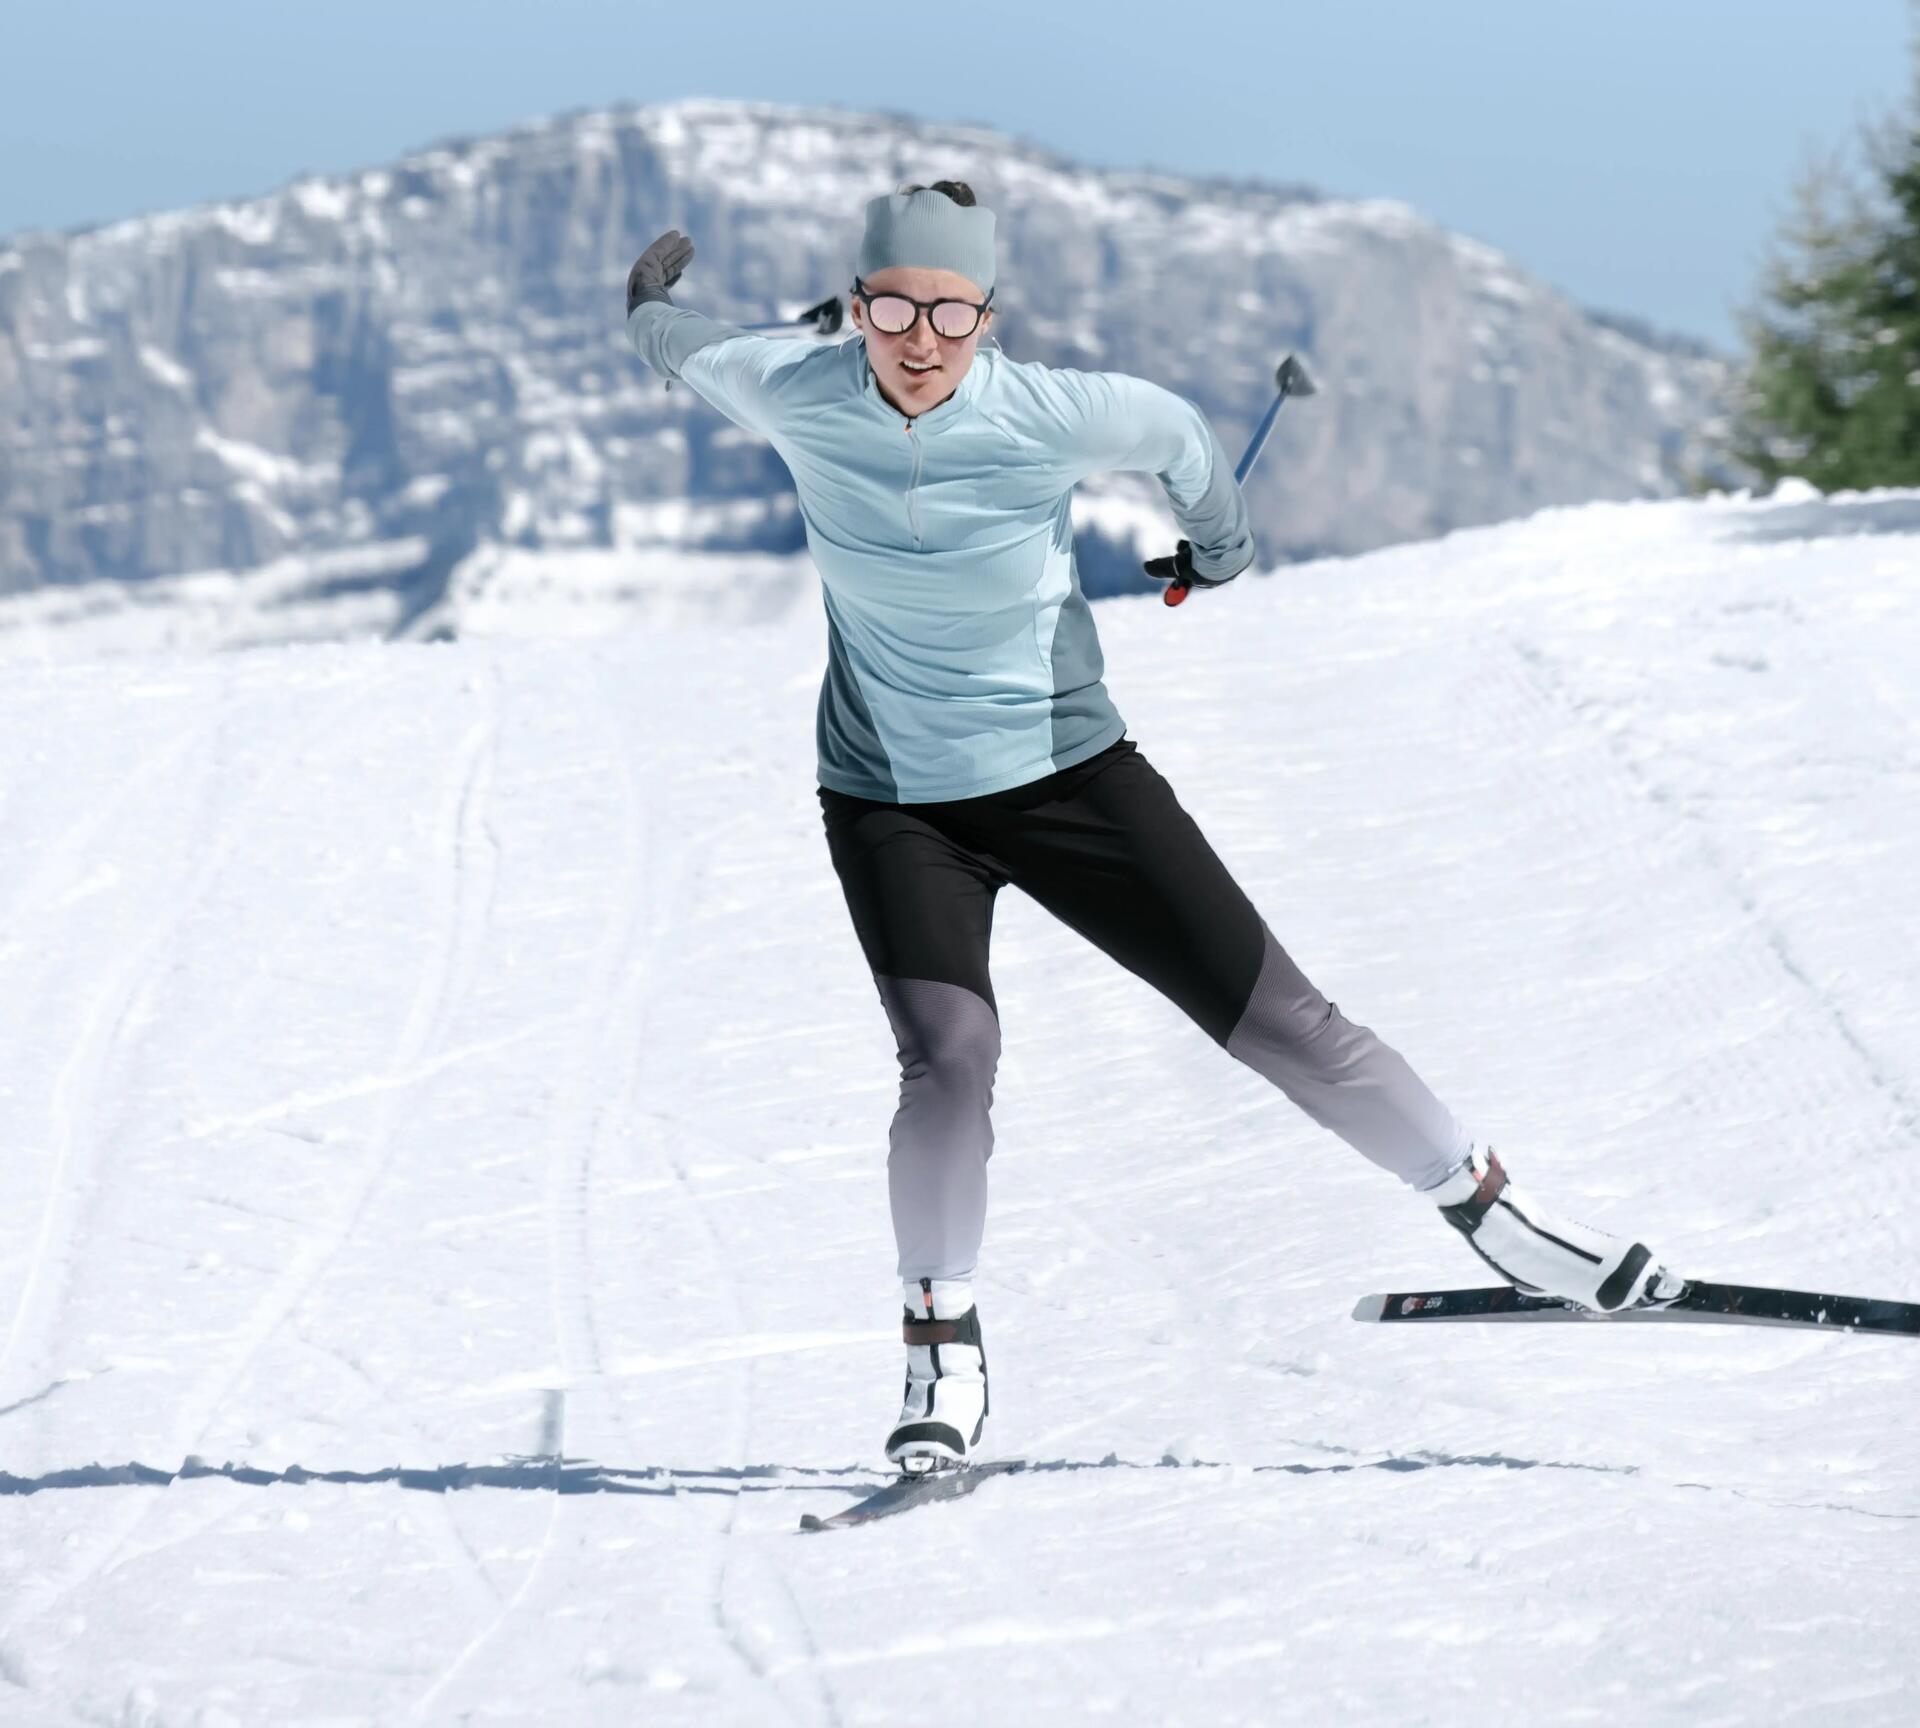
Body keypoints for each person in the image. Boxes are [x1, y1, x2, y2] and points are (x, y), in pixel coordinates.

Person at [624, 181, 1679, 1476]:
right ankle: (939, 1345)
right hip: (892, 798)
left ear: (986, 319)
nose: (918, 339)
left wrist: (1218, 545)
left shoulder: (1048, 412)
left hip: (1070, 777)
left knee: (1291, 1026)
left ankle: (1503, 1226)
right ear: (856, 309)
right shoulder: (798, 385)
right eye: (892, 306)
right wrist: (653, 305)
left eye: (949, 312)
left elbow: (1180, 433)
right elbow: (677, 349)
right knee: (947, 1063)